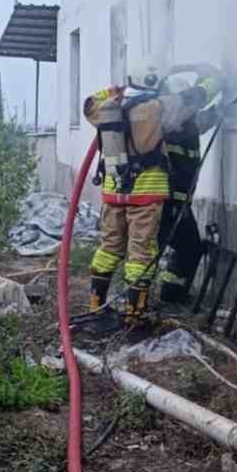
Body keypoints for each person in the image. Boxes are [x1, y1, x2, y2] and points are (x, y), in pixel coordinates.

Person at [81, 56, 170, 331]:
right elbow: (193, 101)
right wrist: (210, 83)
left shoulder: (108, 107)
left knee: (109, 247)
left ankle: (96, 306)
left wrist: (116, 89)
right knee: (141, 252)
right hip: (146, 192)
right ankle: (135, 317)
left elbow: (87, 104)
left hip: (114, 190)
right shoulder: (159, 107)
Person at [157, 63, 223, 307]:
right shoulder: (169, 124)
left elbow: (200, 122)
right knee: (185, 247)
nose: (192, 110)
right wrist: (204, 71)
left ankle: (170, 294)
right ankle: (159, 298)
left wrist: (220, 110)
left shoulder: (185, 125)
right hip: (167, 202)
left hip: (178, 202)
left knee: (187, 248)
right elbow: (201, 104)